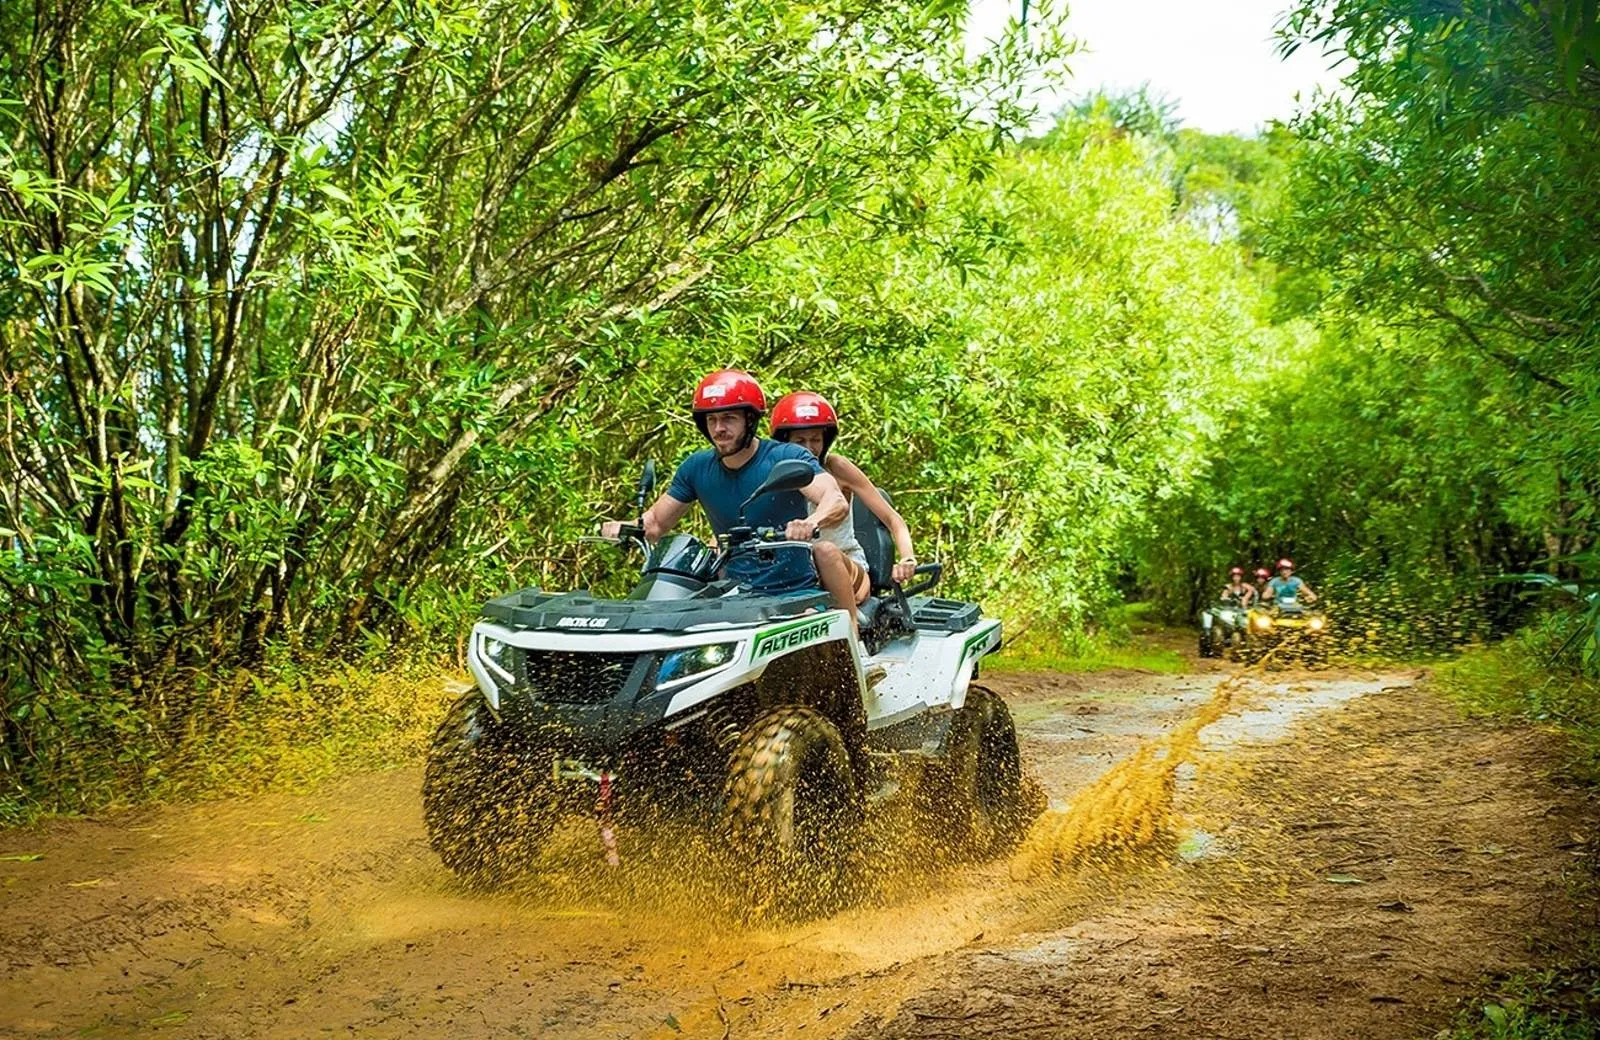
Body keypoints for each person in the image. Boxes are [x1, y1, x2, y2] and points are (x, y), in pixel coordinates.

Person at [601, 370, 852, 599]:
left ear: (750, 420)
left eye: (729, 418)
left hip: (793, 594)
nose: (719, 428)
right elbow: (655, 524)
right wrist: (623, 527)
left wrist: (811, 522)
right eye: (712, 420)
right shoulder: (696, 467)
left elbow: (835, 500)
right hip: (730, 595)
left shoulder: (786, 457)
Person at [769, 391, 918, 624]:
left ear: (825, 440)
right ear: (784, 442)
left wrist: (907, 559)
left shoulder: (837, 468)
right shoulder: (772, 474)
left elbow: (893, 520)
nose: (809, 448)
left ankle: (851, 642)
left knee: (825, 552)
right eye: (800, 441)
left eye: (815, 440)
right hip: (794, 574)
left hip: (848, 567)